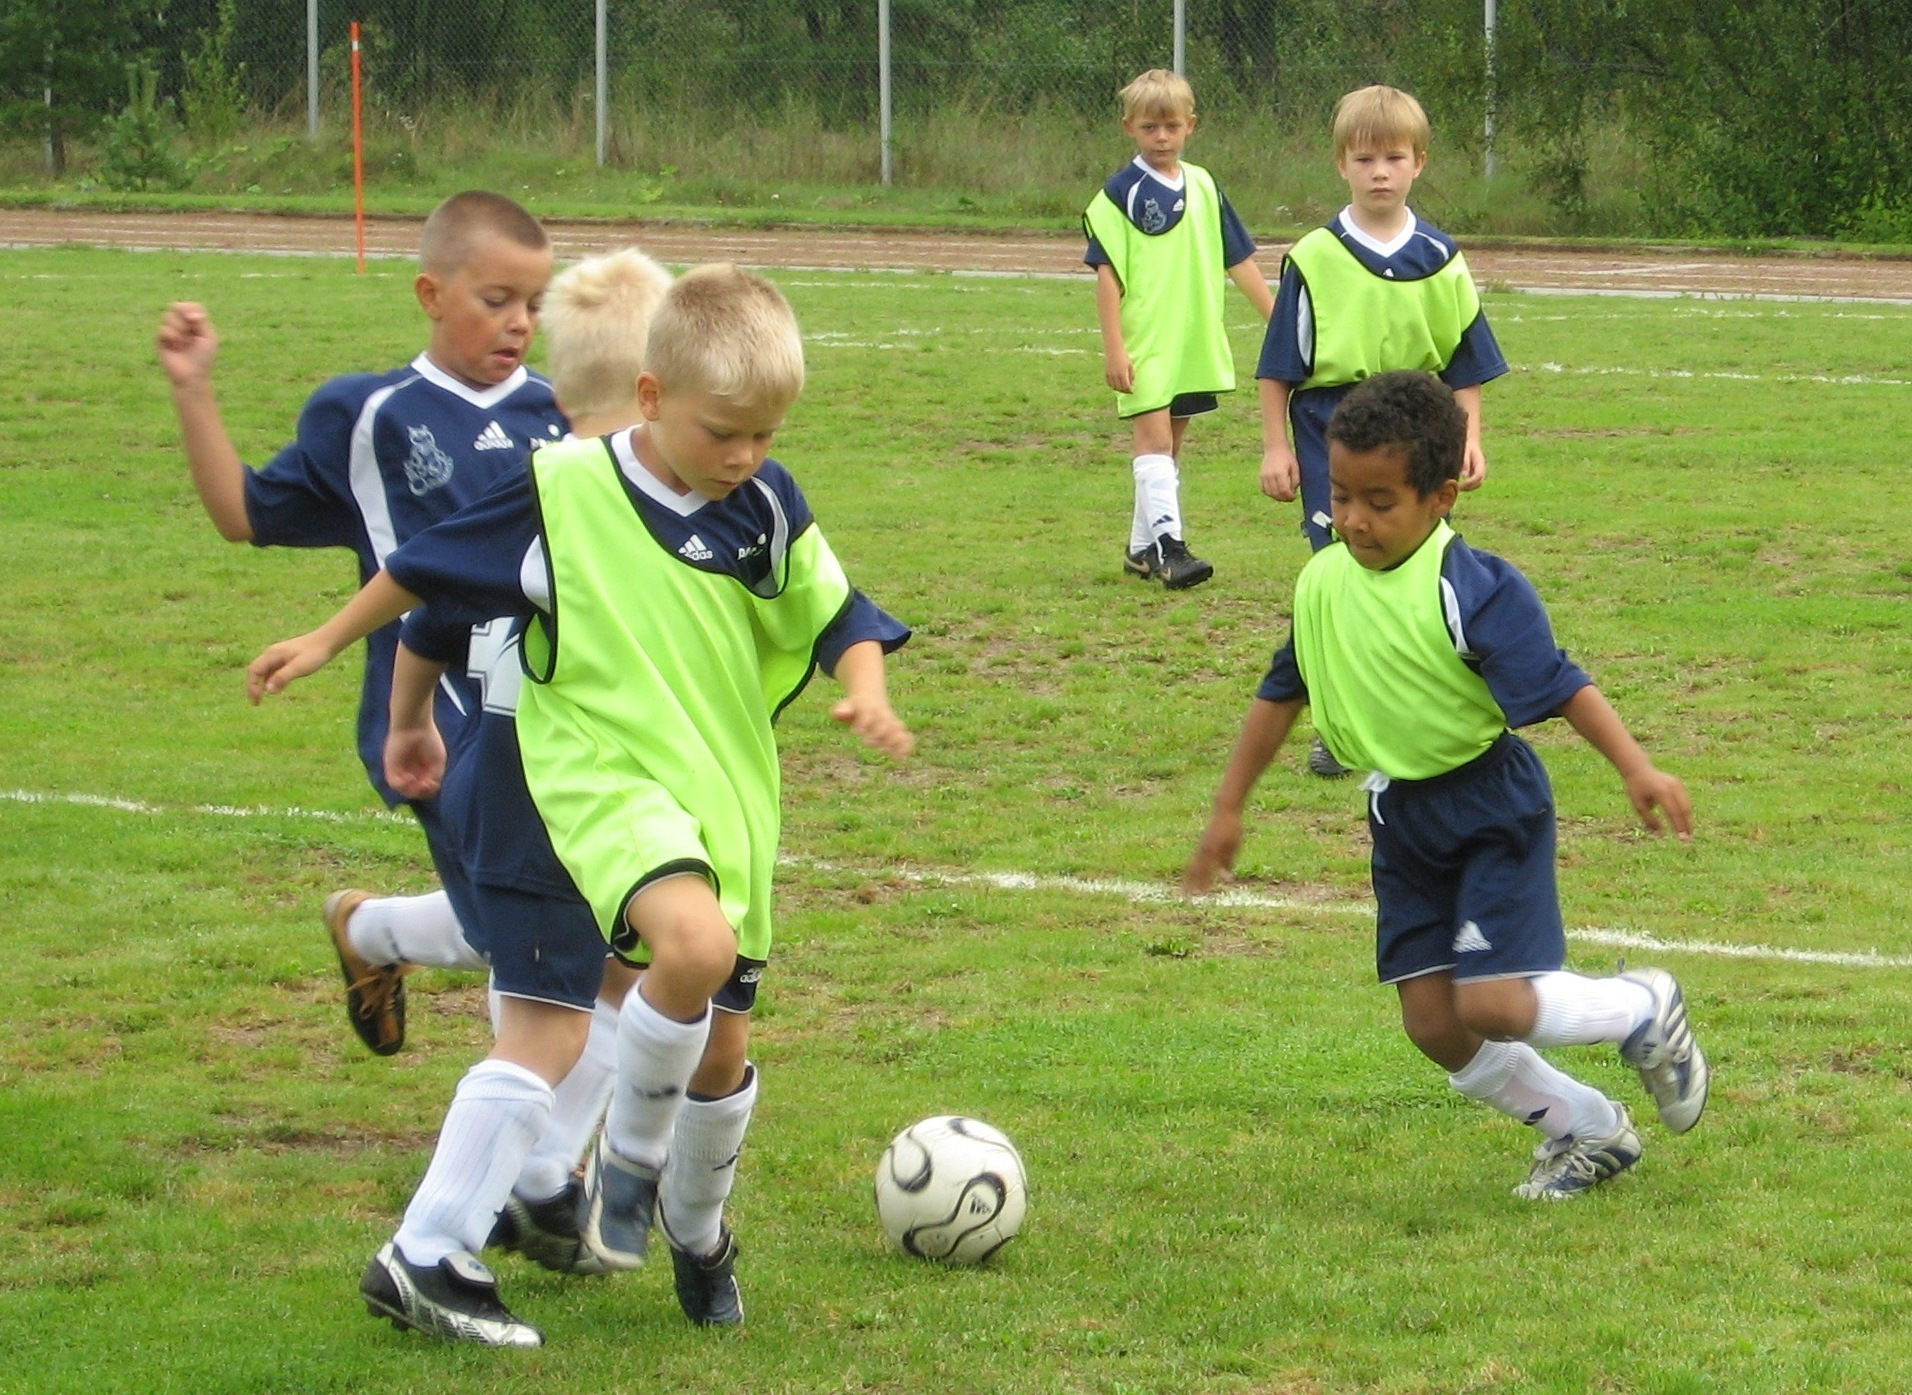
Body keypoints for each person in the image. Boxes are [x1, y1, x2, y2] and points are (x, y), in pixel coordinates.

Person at [248, 263, 915, 1345]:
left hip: (720, 797)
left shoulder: (761, 502)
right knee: (617, 987)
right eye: (725, 434)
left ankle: (692, 1234)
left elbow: (840, 613)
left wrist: (867, 690)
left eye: (766, 435)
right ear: (650, 399)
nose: (746, 457)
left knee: (712, 1043)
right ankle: (558, 1200)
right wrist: (328, 641)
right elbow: (425, 575)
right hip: (586, 784)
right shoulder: (563, 490)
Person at [1184, 371, 1708, 1202]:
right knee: (1434, 1023)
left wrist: (1636, 765)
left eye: (1380, 501)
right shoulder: (1321, 582)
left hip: (1489, 804)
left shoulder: (1470, 587)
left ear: (1442, 494)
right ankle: (1588, 1126)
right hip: (1399, 815)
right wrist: (1228, 806)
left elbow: (1561, 681)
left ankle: (1640, 1007)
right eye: (1341, 494)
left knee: (1493, 1001)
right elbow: (1283, 691)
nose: (1353, 518)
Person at [156, 190, 565, 1055]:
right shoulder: (370, 416)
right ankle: (541, 1165)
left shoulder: (558, 416)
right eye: (496, 301)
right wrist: (194, 389)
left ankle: (370, 932)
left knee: (536, 925)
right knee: (531, 938)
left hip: (551, 702)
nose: (519, 323)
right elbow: (242, 513)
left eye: (534, 303)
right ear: (431, 295)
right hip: (430, 713)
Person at [1255, 85, 1508, 776]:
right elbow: (1279, 365)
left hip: (1420, 431)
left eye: (1394, 156)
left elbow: (1465, 361)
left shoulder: (1441, 255)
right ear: (1341, 164)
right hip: (1332, 431)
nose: (1380, 171)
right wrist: (1277, 447)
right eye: (1364, 157)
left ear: (1419, 163)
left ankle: (1411, 712)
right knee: (1343, 575)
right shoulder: (1314, 256)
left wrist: (1470, 437)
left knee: (1419, 576)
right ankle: (1339, 726)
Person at [1084, 67, 1274, 590]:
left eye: (1171, 126)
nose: (1161, 137)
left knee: (1169, 450)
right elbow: (1108, 278)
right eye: (1149, 127)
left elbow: (1239, 259)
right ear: (1129, 128)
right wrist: (1115, 348)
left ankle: (1141, 549)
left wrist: (1277, 320)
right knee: (1152, 441)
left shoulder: (1206, 185)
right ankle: (1172, 549)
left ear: (1191, 126)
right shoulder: (1117, 196)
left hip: (1193, 338)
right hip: (1146, 341)